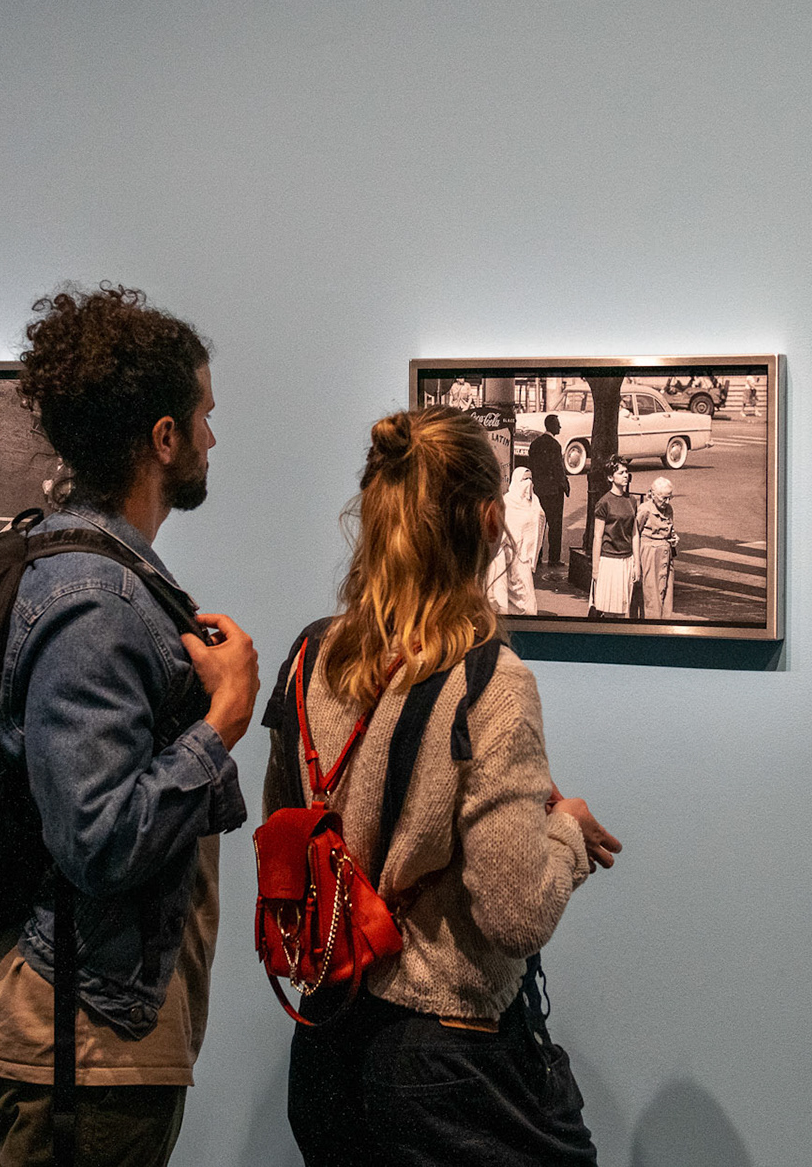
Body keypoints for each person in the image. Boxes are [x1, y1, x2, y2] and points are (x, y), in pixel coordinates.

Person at [0, 283, 260, 1167]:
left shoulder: (103, 576)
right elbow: (98, 837)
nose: (212, 438)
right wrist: (225, 718)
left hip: (87, 1034)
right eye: (203, 416)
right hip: (75, 1047)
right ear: (163, 438)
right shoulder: (97, 602)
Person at [268, 407, 620, 1167]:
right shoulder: (493, 683)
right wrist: (568, 833)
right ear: (491, 522)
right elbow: (516, 912)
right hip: (448, 1063)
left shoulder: (309, 659)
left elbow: (288, 833)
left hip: (324, 1044)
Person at [487, 466, 545, 615]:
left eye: (530, 479)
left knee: (525, 598)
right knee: (512, 596)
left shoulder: (534, 502)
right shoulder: (507, 502)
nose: (529, 482)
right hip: (506, 556)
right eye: (525, 479)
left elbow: (539, 521)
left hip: (523, 557)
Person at [588, 458, 635, 617]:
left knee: (624, 610)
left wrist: (637, 564)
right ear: (610, 477)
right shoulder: (604, 503)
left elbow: (634, 534)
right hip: (609, 562)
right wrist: (595, 569)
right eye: (621, 472)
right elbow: (597, 537)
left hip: (627, 560)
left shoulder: (632, 501)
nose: (625, 475)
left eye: (626, 472)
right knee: (607, 610)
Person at [526, 414, 572, 574]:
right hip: (553, 491)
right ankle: (554, 558)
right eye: (558, 424)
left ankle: (537, 556)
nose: (560, 427)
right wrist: (565, 486)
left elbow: (532, 466)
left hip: (539, 490)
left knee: (538, 525)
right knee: (555, 525)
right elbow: (558, 468)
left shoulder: (535, 444)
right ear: (551, 426)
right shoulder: (555, 445)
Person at [633, 476, 679, 619]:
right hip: (649, 554)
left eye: (669, 497)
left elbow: (670, 528)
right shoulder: (644, 510)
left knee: (666, 590)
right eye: (663, 498)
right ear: (652, 494)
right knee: (651, 592)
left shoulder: (668, 508)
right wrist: (636, 562)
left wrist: (674, 537)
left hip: (666, 554)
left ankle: (664, 623)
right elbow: (635, 533)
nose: (667, 502)